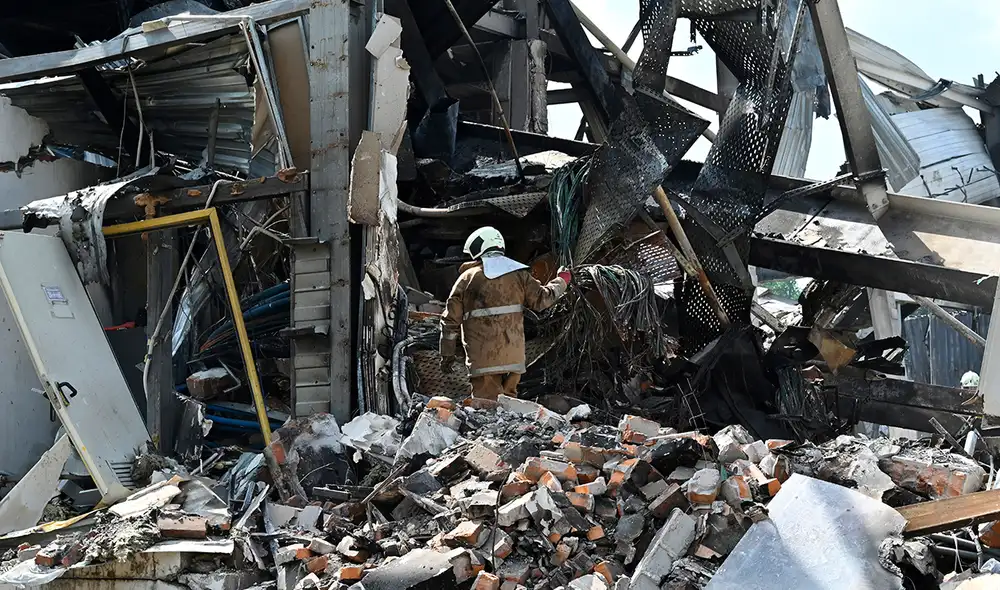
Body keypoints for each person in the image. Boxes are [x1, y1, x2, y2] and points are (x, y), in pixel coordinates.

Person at [440, 227, 571, 400]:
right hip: (513, 359)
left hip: (483, 359)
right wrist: (562, 280)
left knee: (485, 408)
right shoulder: (519, 275)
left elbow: (450, 321)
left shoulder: (467, 278)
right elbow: (543, 299)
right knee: (509, 407)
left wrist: (447, 354)